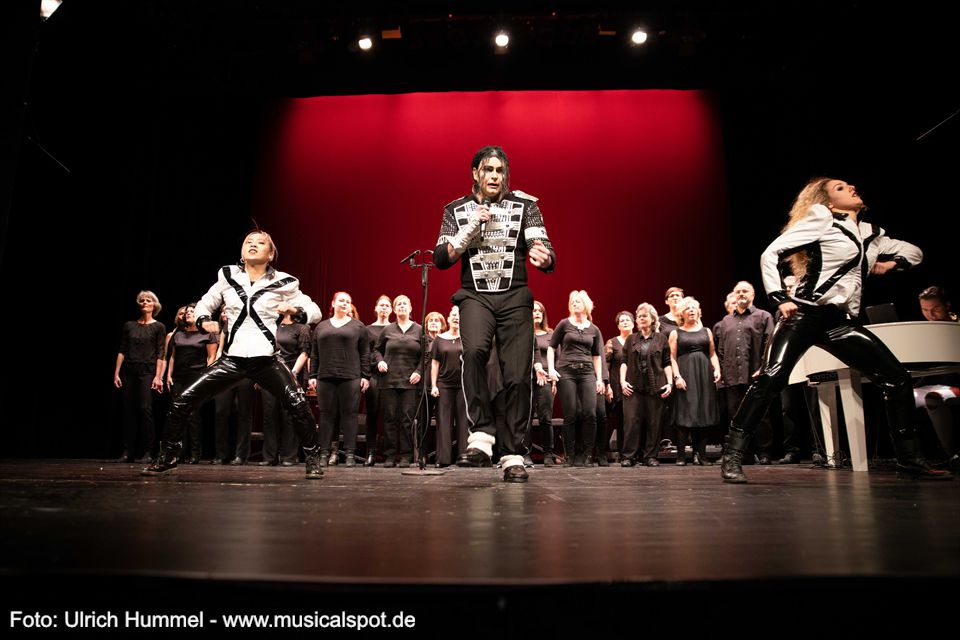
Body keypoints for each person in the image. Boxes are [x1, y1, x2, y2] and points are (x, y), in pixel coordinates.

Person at [721, 178, 950, 482]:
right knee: (772, 377)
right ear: (828, 202)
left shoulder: (872, 235)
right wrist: (778, 296)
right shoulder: (822, 219)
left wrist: (890, 265)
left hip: (839, 321)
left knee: (896, 378)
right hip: (803, 313)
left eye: (850, 185)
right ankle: (733, 454)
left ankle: (909, 458)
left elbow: (914, 252)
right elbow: (770, 254)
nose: (852, 187)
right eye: (840, 188)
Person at [141, 230, 324, 479]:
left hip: (266, 360)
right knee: (183, 400)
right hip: (232, 359)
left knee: (298, 405)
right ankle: (169, 456)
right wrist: (204, 319)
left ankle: (313, 459)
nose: (252, 245)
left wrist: (296, 309)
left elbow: (315, 311)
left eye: (260, 243)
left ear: (270, 254)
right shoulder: (227, 275)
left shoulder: (285, 281)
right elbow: (206, 302)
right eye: (248, 241)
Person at [433, 145, 555, 483]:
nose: (494, 177)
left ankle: (513, 453)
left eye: (500, 171)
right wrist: (472, 225)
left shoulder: (525, 206)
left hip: (515, 296)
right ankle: (482, 437)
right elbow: (442, 257)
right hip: (475, 295)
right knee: (472, 352)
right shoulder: (455, 210)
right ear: (475, 173)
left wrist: (545, 258)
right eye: (488, 170)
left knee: (517, 375)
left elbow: (541, 245)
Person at [309, 291, 370, 468]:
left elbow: (365, 353)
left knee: (349, 416)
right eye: (341, 300)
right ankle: (324, 453)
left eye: (348, 301)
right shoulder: (321, 327)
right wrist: (313, 375)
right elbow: (315, 353)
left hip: (350, 377)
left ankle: (350, 454)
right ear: (333, 303)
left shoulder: (358, 327)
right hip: (325, 377)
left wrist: (365, 376)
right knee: (326, 416)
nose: (345, 304)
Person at [716, 281, 775, 464]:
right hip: (733, 376)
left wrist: (763, 367)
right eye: (738, 291)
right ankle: (744, 454)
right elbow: (722, 350)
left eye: (745, 291)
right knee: (736, 416)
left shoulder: (763, 316)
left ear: (753, 294)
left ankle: (764, 452)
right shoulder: (726, 321)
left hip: (756, 373)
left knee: (760, 415)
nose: (741, 294)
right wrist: (724, 372)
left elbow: (770, 343)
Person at [547, 290, 605, 467]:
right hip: (567, 371)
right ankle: (570, 456)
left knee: (590, 413)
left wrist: (599, 379)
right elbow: (551, 347)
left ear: (586, 305)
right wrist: (551, 369)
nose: (574, 303)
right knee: (570, 414)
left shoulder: (594, 329)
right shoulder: (564, 324)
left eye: (578, 301)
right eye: (572, 301)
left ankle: (588, 455)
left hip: (587, 372)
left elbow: (597, 356)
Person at [114, 290, 166, 463]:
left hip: (147, 371)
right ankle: (128, 451)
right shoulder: (129, 325)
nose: (145, 302)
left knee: (145, 409)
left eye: (148, 300)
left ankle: (149, 451)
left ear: (154, 305)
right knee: (129, 411)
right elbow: (122, 350)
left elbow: (161, 353)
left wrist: (158, 377)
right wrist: (116, 373)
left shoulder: (159, 327)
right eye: (142, 300)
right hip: (129, 371)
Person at [372, 295, 424, 468]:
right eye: (398, 304)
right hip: (389, 381)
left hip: (410, 383)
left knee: (407, 420)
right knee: (390, 419)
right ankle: (389, 455)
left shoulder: (419, 330)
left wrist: (418, 372)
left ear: (411, 308)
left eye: (405, 304)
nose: (401, 306)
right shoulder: (387, 330)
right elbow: (376, 350)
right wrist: (379, 361)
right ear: (394, 310)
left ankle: (406, 456)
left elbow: (427, 356)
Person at [620, 303, 673, 467]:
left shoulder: (661, 339)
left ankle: (650, 456)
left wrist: (670, 382)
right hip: (633, 386)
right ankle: (629, 456)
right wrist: (622, 381)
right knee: (631, 421)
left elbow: (666, 363)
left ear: (652, 319)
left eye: (644, 316)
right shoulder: (631, 339)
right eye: (639, 316)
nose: (640, 319)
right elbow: (624, 362)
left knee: (654, 422)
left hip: (655, 386)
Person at [669, 297, 720, 465]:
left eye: (694, 307)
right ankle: (682, 455)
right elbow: (672, 357)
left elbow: (712, 353)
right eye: (687, 308)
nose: (691, 310)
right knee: (685, 412)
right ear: (681, 313)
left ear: (699, 311)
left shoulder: (707, 331)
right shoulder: (676, 332)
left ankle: (701, 455)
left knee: (703, 411)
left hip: (704, 375)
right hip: (685, 374)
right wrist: (677, 376)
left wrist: (717, 369)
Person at [166, 304, 218, 464]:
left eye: (192, 311)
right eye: (186, 312)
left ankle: (195, 453)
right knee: (177, 415)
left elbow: (212, 357)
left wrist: (206, 378)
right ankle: (178, 452)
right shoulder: (179, 334)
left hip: (196, 377)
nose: (188, 314)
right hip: (178, 378)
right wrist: (168, 375)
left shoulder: (208, 334)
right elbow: (173, 357)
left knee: (194, 416)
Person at [259, 307, 310, 466]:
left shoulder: (302, 328)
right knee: (269, 415)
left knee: (289, 415)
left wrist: (292, 373)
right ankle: (269, 456)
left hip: (290, 374)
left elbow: (304, 352)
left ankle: (288, 456)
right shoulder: (269, 325)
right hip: (269, 374)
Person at [430, 306, 468, 467]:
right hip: (444, 385)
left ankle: (463, 457)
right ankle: (443, 459)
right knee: (443, 422)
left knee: (463, 423)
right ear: (448, 318)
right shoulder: (439, 339)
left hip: (463, 385)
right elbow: (434, 363)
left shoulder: (467, 338)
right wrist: (433, 385)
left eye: (459, 315)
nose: (456, 317)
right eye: (453, 315)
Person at [363, 295, 393, 466]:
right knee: (372, 415)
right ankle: (371, 452)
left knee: (390, 416)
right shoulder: (367, 330)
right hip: (373, 375)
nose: (384, 308)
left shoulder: (396, 328)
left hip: (391, 376)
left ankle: (390, 453)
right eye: (381, 305)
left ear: (391, 309)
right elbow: (365, 353)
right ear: (376, 309)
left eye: (387, 305)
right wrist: (366, 375)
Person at [604, 310, 635, 465]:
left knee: (634, 421)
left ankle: (636, 453)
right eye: (622, 320)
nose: (625, 322)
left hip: (636, 386)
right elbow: (606, 367)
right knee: (622, 421)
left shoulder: (638, 340)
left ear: (633, 323)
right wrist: (607, 386)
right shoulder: (612, 342)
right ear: (618, 325)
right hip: (617, 386)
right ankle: (624, 455)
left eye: (628, 320)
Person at [530, 300, 558, 465]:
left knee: (545, 417)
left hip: (546, 378)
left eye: (540, 311)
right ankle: (525, 453)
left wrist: (554, 381)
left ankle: (548, 453)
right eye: (534, 311)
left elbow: (557, 357)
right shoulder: (524, 333)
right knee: (524, 418)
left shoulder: (550, 334)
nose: (537, 313)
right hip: (527, 378)